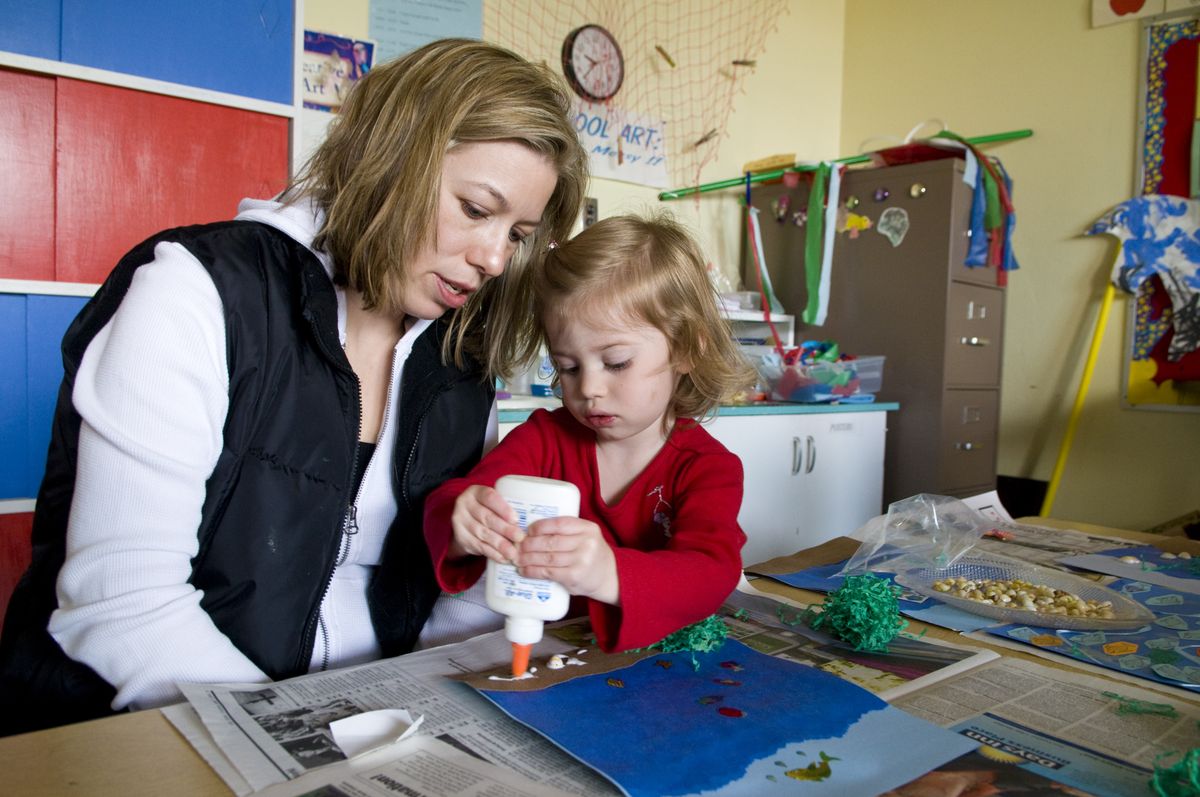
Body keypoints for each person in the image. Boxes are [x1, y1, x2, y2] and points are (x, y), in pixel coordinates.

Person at [0, 38, 588, 735]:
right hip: (133, 731)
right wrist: (313, 742)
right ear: (392, 157)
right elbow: (119, 601)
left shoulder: (462, 361)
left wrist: (495, 580)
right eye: (474, 208)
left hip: (362, 725)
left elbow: (439, 616)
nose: (493, 258)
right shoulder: (198, 293)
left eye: (518, 234)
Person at [419, 214, 757, 652]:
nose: (589, 390)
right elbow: (461, 496)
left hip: (637, 657)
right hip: (545, 648)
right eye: (568, 367)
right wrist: (462, 518)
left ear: (687, 349)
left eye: (616, 362)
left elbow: (711, 574)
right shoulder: (544, 438)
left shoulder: (708, 467)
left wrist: (608, 573)